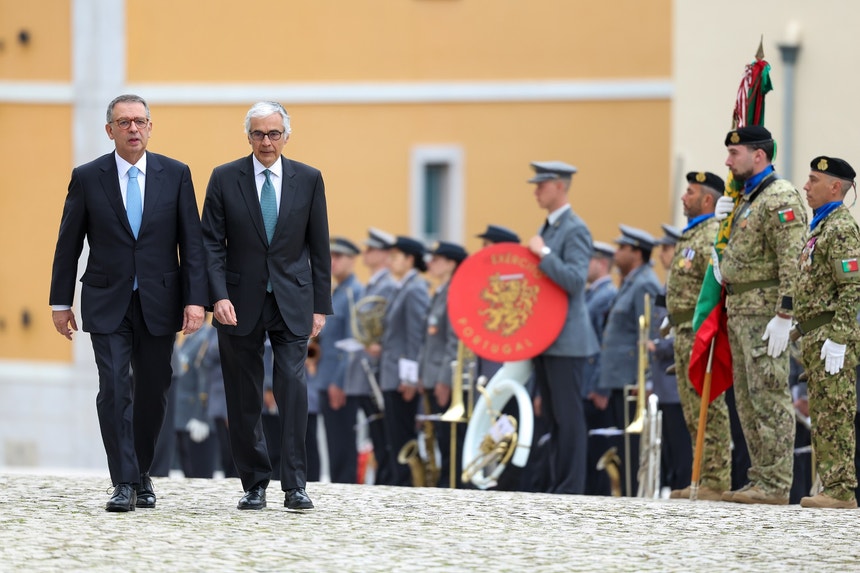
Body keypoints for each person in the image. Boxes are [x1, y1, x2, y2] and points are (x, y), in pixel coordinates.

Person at [49, 94, 208, 512]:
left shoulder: (175, 174)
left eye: (139, 121)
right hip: (106, 300)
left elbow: (191, 244)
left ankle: (141, 473)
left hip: (160, 300)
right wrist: (59, 302)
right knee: (115, 386)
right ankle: (122, 481)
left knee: (154, 391)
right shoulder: (87, 177)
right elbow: (68, 244)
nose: (133, 128)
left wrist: (196, 301)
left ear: (150, 127)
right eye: (124, 122)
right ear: (110, 130)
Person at [201, 101, 332, 511]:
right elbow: (210, 244)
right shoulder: (224, 178)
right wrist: (217, 296)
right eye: (258, 133)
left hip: (293, 299)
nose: (266, 141)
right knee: (244, 394)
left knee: (293, 390)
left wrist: (320, 306)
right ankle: (254, 482)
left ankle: (295, 485)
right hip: (237, 303)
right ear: (248, 137)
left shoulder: (308, 179)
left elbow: (319, 246)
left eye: (274, 133)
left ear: (286, 136)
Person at [717, 125, 807, 505]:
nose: (727, 160)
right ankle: (760, 477)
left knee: (769, 395)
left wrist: (785, 313)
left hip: (764, 313)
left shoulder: (779, 197)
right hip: (740, 311)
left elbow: (793, 258)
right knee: (748, 400)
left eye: (734, 154)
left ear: (758, 155)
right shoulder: (748, 198)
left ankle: (775, 482)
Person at [526, 160, 599, 495]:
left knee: (568, 419)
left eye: (542, 184)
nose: (537, 190)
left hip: (567, 339)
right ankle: (560, 484)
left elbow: (574, 280)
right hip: (546, 337)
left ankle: (571, 487)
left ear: (559, 185)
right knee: (553, 418)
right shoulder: (552, 227)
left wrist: (543, 254)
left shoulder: (575, 229)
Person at [792, 156, 860, 509]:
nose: (806, 186)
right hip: (816, 335)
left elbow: (853, 287)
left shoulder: (841, 228)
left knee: (835, 411)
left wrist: (840, 337)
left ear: (836, 187)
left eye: (814, 180)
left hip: (832, 335)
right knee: (823, 412)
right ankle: (832, 484)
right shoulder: (820, 227)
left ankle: (841, 489)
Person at [664, 171, 732, 501]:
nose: (683, 197)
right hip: (681, 329)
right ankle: (702, 474)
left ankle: (716, 479)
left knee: (709, 406)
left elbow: (716, 285)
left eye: (689, 192)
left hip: (700, 331)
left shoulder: (711, 235)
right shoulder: (690, 235)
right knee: (692, 409)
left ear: (707, 199)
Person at [598, 225, 662, 496]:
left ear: (637, 253)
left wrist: (645, 378)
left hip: (631, 380)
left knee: (631, 446)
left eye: (622, 248)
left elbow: (651, 333)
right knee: (621, 443)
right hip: (619, 378)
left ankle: (632, 494)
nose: (616, 253)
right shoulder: (631, 282)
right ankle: (622, 492)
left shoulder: (645, 282)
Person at [372, 236, 430, 487]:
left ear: (410, 259)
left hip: (400, 377)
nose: (391, 261)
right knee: (394, 436)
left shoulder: (415, 288)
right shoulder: (403, 287)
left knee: (402, 435)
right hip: (392, 373)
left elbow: (415, 337)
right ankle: (400, 483)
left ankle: (406, 485)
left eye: (396, 257)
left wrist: (409, 377)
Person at [344, 228, 397, 485]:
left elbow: (388, 326)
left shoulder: (386, 285)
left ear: (386, 255)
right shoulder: (373, 284)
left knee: (384, 434)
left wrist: (377, 344)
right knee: (376, 432)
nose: (366, 253)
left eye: (372, 249)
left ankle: (386, 480)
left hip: (377, 368)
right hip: (366, 367)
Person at [418, 241, 468, 487]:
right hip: (431, 376)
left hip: (444, 378)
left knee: (451, 441)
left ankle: (454, 484)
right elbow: (429, 340)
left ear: (452, 263)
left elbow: (454, 342)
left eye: (437, 259)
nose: (431, 263)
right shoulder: (441, 291)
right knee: (440, 438)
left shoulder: (456, 292)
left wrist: (445, 380)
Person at [317, 237, 363, 483]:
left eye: (339, 257)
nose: (333, 262)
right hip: (326, 377)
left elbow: (353, 343)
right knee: (334, 440)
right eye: (330, 256)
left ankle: (346, 484)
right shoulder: (337, 291)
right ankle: (338, 483)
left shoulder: (355, 292)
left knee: (343, 440)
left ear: (352, 260)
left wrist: (340, 380)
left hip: (341, 380)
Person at [650, 224, 693, 494]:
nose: (661, 255)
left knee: (680, 443)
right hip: (664, 381)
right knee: (669, 444)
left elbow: (685, 328)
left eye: (666, 248)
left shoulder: (682, 283)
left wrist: (658, 346)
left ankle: (683, 485)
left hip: (676, 378)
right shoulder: (669, 283)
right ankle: (675, 485)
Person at [583, 241, 618, 495]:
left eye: (588, 260)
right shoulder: (592, 294)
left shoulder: (606, 295)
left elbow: (605, 346)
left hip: (595, 385)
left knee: (599, 448)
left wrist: (600, 386)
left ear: (601, 263)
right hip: (587, 382)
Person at [171, 325, 218, 478]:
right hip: (182, 417)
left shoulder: (204, 337)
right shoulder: (185, 338)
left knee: (200, 476)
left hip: (196, 417)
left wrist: (201, 417)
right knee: (188, 473)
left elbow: (205, 380)